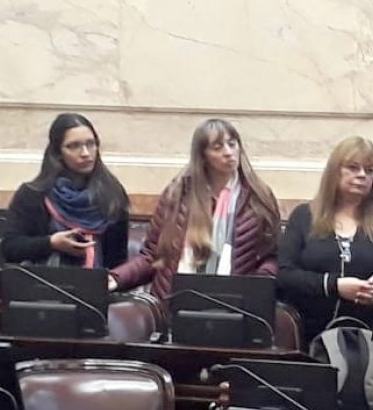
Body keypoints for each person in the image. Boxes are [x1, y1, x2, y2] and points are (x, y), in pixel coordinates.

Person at [109, 119, 280, 298]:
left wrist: (259, 285)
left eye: (232, 144)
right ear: (203, 155)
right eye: (217, 147)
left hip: (234, 304)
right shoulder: (177, 195)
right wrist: (117, 278)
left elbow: (272, 256)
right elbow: (152, 256)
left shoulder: (259, 196)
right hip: (176, 301)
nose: (228, 153)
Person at [277, 137, 373, 342]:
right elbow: (284, 275)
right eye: (353, 168)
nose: (362, 175)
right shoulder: (304, 216)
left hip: (368, 341)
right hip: (308, 336)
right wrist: (334, 286)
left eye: (369, 170)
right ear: (335, 171)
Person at [2, 113, 131, 269]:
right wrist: (51, 243)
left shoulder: (112, 194)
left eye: (91, 144)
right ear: (57, 153)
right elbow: (10, 248)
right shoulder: (33, 194)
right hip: (42, 287)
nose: (85, 153)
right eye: (73, 146)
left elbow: (118, 261)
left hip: (97, 287)